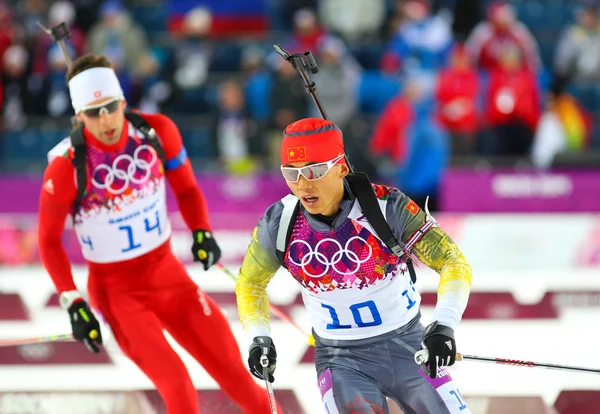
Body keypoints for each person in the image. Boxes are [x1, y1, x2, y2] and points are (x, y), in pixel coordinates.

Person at [37, 54, 282, 414]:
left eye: (109, 107)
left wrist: (201, 232)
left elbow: (187, 190)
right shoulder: (65, 166)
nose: (105, 120)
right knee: (179, 388)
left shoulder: (156, 132)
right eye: (93, 113)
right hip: (118, 294)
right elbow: (47, 240)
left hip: (169, 276)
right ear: (78, 117)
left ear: (123, 102)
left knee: (240, 377)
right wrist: (72, 300)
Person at [236, 118, 473, 413]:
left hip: (409, 349)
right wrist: (259, 337)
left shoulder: (387, 207)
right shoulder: (280, 222)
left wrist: (444, 325)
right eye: (291, 173)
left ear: (341, 167)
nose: (302, 184)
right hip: (340, 361)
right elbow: (250, 282)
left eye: (314, 170)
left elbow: (452, 261)